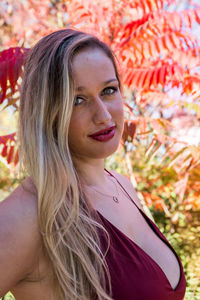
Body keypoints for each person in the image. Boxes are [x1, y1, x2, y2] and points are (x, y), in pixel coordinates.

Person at [0, 29, 186, 300]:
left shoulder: (120, 184)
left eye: (109, 90)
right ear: (46, 113)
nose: (103, 115)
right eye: (77, 100)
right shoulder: (28, 214)